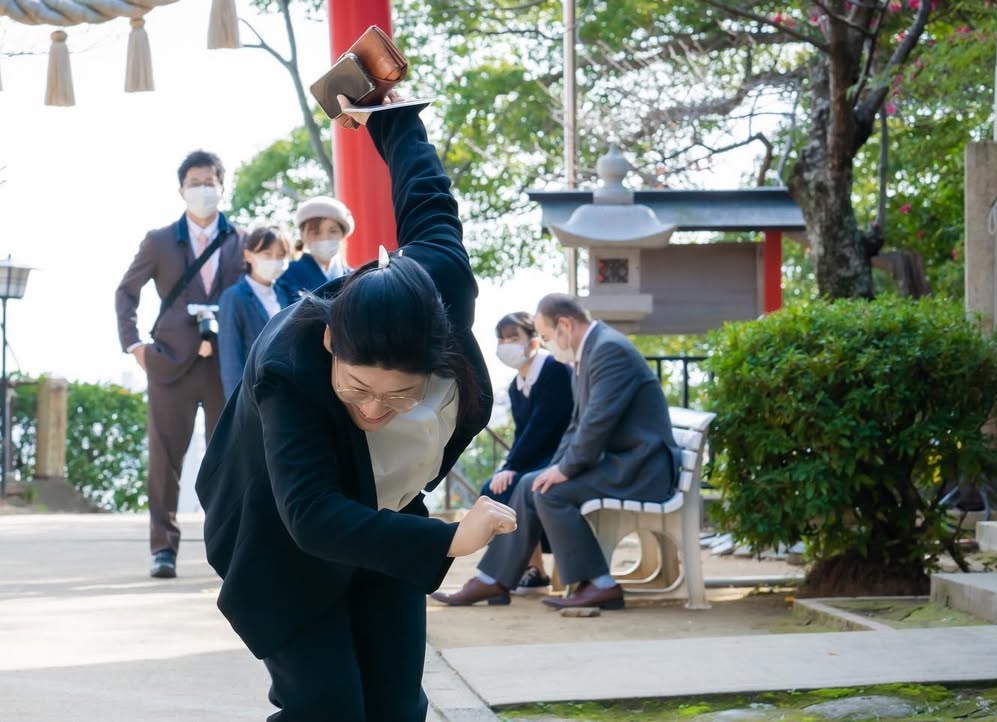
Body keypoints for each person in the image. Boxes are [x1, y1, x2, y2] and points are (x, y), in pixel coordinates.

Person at [195, 98, 516, 722]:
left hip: (385, 510)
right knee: (328, 707)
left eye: (399, 396)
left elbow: (428, 194)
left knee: (396, 705)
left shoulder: (441, 283)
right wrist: (452, 540)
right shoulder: (289, 369)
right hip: (276, 531)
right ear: (329, 346)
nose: (375, 409)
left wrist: (388, 115)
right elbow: (311, 516)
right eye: (358, 389)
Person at [432, 294, 680, 610]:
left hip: (643, 469)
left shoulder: (608, 350)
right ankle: (492, 579)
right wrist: (558, 466)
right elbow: (578, 425)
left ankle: (600, 584)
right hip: (625, 463)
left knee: (550, 492)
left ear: (565, 325)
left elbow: (596, 423)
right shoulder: (590, 352)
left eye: (547, 337)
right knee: (529, 483)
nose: (547, 345)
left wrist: (563, 470)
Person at [115, 149, 245, 579]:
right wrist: (134, 345)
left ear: (222, 187)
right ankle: (163, 549)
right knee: (165, 458)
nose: (203, 190)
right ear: (181, 190)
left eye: (210, 182)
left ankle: (227, 545)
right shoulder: (158, 240)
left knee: (227, 456)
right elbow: (126, 292)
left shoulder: (243, 240)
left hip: (225, 366)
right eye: (195, 183)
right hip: (169, 363)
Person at [482, 311, 573, 591]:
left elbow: (541, 427)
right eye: (501, 339)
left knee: (516, 484)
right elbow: (524, 434)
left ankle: (521, 570)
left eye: (513, 337)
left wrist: (512, 466)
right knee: (493, 488)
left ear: (533, 341)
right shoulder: (515, 386)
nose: (506, 344)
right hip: (539, 457)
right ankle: (534, 569)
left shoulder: (554, 370)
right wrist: (508, 465)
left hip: (563, 455)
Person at [217, 226, 292, 394]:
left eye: (280, 256)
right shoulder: (234, 297)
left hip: (290, 392)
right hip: (255, 394)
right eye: (266, 254)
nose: (274, 261)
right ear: (248, 255)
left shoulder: (288, 293)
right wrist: (237, 410)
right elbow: (231, 360)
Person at [276, 195, 354, 305]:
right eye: (316, 233)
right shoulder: (286, 275)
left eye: (333, 231)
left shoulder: (354, 277)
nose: (325, 239)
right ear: (303, 236)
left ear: (342, 235)